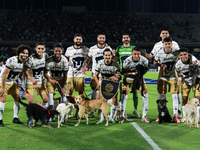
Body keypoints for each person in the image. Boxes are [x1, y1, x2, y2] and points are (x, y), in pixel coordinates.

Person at [141, 29, 182, 119]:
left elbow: (180, 55)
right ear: (160, 35)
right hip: (162, 72)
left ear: (169, 35)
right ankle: (163, 113)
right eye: (163, 33)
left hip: (173, 71)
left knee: (176, 91)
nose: (164, 34)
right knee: (162, 94)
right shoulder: (157, 46)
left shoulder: (174, 44)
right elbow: (151, 56)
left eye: (166, 33)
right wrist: (142, 53)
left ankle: (178, 111)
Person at [0, 44, 32, 127]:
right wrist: (3, 88)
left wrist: (19, 81)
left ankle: (15, 118)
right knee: (2, 99)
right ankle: (0, 120)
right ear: (19, 53)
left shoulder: (24, 62)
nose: (25, 55)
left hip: (12, 82)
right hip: (3, 82)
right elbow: (4, 74)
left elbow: (18, 74)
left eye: (26, 53)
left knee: (18, 98)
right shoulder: (12, 60)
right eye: (23, 53)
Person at [82, 33, 112, 117]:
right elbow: (88, 59)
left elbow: (112, 59)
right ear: (97, 39)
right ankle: (92, 111)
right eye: (100, 38)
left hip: (105, 74)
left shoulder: (108, 48)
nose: (101, 39)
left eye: (103, 38)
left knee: (105, 92)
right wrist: (84, 66)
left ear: (105, 39)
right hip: (94, 73)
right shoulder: (92, 49)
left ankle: (103, 110)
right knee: (94, 92)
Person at [154, 37, 180, 123]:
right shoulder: (160, 51)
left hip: (172, 76)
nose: (168, 45)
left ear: (172, 44)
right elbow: (155, 62)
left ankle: (175, 116)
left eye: (169, 44)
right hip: (162, 76)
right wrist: (160, 65)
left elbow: (183, 55)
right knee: (161, 96)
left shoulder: (175, 52)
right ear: (163, 44)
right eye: (166, 44)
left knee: (174, 96)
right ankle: (160, 115)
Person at [114, 33, 140, 120]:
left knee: (135, 91)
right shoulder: (119, 48)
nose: (126, 39)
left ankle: (135, 109)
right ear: (122, 39)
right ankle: (122, 110)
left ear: (129, 39)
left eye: (127, 38)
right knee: (123, 92)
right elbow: (116, 60)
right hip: (123, 74)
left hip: (134, 73)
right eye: (124, 38)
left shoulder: (133, 48)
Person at [122, 47, 150, 123]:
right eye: (135, 54)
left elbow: (146, 69)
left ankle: (144, 116)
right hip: (128, 77)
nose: (136, 56)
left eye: (138, 54)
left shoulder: (144, 60)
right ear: (132, 53)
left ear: (140, 53)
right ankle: (122, 116)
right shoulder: (127, 61)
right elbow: (123, 72)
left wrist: (140, 75)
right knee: (124, 94)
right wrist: (133, 73)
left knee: (145, 93)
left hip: (138, 78)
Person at [95, 48, 121, 123]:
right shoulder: (99, 63)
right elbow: (96, 75)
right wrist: (97, 84)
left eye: (109, 55)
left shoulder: (116, 64)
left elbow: (119, 76)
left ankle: (112, 117)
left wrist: (116, 77)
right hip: (102, 82)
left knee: (115, 98)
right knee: (99, 98)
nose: (107, 57)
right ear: (103, 56)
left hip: (112, 83)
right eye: (106, 55)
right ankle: (101, 117)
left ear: (111, 56)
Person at [175, 48, 200, 122]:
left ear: (188, 54)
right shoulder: (178, 64)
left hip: (196, 81)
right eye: (181, 55)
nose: (183, 56)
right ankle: (185, 117)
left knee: (198, 99)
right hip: (186, 82)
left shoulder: (194, 61)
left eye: (185, 54)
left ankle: (198, 117)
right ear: (179, 56)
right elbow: (178, 73)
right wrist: (180, 79)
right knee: (184, 100)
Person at [44, 43, 69, 110]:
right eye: (56, 51)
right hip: (51, 79)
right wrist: (50, 80)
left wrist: (63, 87)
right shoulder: (49, 60)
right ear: (53, 51)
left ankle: (63, 111)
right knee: (50, 95)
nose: (57, 52)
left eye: (59, 51)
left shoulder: (65, 61)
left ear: (62, 51)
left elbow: (65, 75)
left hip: (61, 79)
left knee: (64, 95)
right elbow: (45, 73)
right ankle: (51, 112)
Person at [23, 42, 49, 106]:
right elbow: (25, 71)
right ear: (36, 49)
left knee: (46, 99)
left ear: (45, 49)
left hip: (40, 82)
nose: (40, 50)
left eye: (42, 49)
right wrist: (32, 80)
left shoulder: (45, 56)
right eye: (39, 48)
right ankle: (30, 115)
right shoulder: (31, 59)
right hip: (30, 82)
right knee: (30, 101)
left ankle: (42, 113)